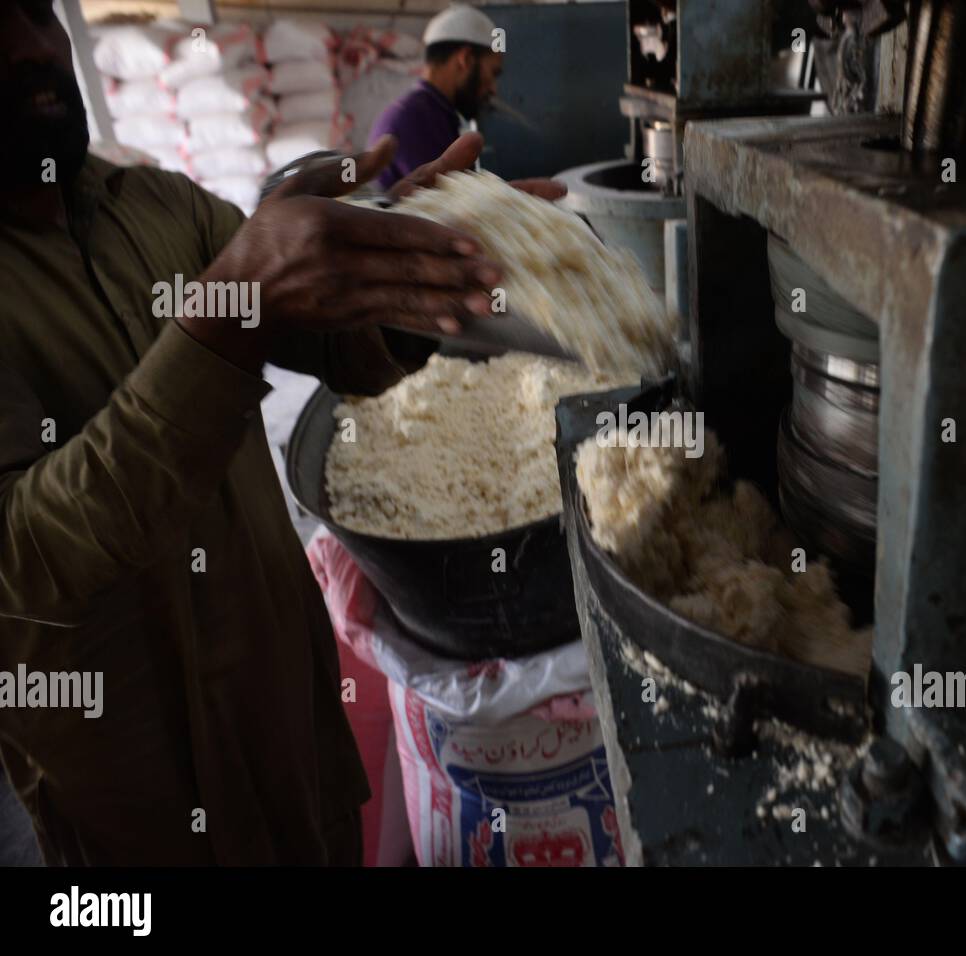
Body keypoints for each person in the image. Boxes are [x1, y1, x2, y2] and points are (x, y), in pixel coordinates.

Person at [0, 0, 556, 865]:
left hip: (283, 721)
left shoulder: (152, 205)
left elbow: (336, 340)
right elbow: (25, 560)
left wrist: (402, 268)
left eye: (40, 12)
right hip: (136, 786)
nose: (37, 46)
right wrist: (223, 322)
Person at [369, 4, 504, 191]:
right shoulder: (414, 120)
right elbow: (448, 208)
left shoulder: (434, 113)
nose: (493, 89)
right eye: (493, 73)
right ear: (466, 59)